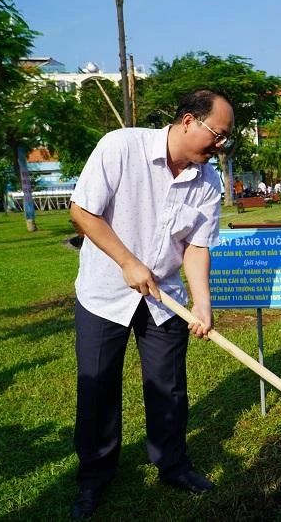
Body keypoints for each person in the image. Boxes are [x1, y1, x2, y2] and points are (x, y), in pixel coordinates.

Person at [68, 89, 233, 519]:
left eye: (224, 140)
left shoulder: (208, 181)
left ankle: (172, 465)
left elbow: (196, 246)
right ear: (187, 121)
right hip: (104, 292)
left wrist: (201, 303)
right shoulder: (121, 147)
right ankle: (94, 477)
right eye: (217, 135)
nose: (220, 146)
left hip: (165, 299)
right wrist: (126, 261)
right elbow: (83, 212)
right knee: (98, 386)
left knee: (168, 388)